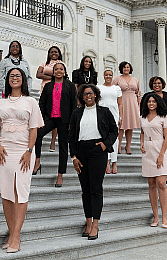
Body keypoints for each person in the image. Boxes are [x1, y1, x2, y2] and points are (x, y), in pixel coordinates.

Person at [0, 68, 44, 253]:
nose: (14, 78)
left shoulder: (31, 101)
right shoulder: (0, 102)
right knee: (6, 191)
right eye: (11, 76)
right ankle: (11, 233)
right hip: (5, 150)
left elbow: (34, 129)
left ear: (23, 80)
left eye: (18, 76)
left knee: (21, 191)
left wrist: (29, 151)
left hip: (23, 150)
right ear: (7, 80)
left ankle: (16, 236)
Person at [69, 84, 118, 241]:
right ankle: (88, 222)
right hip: (81, 151)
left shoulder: (104, 112)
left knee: (96, 188)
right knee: (86, 189)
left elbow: (114, 130)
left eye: (90, 93)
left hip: (98, 150)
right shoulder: (77, 113)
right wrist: (74, 157)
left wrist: (106, 144)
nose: (88, 96)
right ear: (81, 97)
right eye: (84, 94)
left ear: (95, 95)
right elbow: (71, 137)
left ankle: (95, 224)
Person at [33, 62, 76, 187]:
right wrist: (40, 120)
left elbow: (74, 105)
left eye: (61, 69)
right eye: (56, 69)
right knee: (37, 134)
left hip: (65, 120)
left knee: (63, 147)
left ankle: (60, 174)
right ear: (53, 71)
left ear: (64, 71)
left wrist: (72, 123)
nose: (58, 71)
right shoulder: (48, 86)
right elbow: (41, 103)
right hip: (50, 118)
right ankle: (37, 161)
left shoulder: (70, 86)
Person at [140, 93, 167, 228]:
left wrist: (161, 155)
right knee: (151, 184)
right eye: (149, 101)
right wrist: (141, 143)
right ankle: (156, 216)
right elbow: (142, 131)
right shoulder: (142, 117)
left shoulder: (163, 117)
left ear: (158, 102)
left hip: (160, 149)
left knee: (161, 183)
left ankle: (164, 217)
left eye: (153, 101)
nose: (151, 103)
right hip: (147, 150)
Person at [36, 46, 65, 151]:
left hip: (56, 92)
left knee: (55, 117)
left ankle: (53, 142)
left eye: (56, 52)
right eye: (52, 52)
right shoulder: (44, 63)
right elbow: (38, 74)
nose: (54, 53)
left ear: (59, 54)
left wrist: (46, 74)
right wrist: (52, 77)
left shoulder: (61, 64)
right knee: (42, 115)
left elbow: (62, 76)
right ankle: (40, 136)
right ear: (48, 53)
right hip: (44, 90)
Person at [111, 61, 141, 154]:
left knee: (130, 126)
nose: (126, 69)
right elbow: (112, 91)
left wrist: (138, 105)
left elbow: (139, 93)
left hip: (132, 103)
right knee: (121, 126)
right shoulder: (117, 79)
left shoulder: (135, 80)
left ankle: (128, 146)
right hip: (122, 102)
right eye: (124, 67)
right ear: (121, 69)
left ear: (130, 68)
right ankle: (118, 146)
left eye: (127, 67)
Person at [98, 69, 122, 174]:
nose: (108, 76)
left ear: (112, 76)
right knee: (104, 137)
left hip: (114, 114)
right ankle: (106, 161)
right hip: (103, 114)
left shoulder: (117, 88)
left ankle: (114, 162)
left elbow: (120, 103)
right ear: (103, 76)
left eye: (110, 75)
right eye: (106, 75)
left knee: (115, 139)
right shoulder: (99, 87)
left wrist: (121, 116)